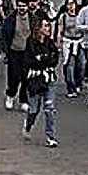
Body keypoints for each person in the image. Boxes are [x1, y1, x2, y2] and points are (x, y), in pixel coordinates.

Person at [22, 18, 60, 147]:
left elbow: (55, 60)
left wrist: (44, 59)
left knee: (49, 108)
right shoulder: (30, 42)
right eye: (45, 26)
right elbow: (30, 61)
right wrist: (44, 59)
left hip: (49, 78)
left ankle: (50, 136)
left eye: (48, 26)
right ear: (38, 28)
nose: (48, 29)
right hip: (35, 79)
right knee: (33, 109)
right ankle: (28, 125)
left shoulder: (50, 43)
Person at [0, 0, 33, 112]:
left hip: (27, 53)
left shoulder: (33, 18)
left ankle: (24, 100)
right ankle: (10, 95)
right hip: (14, 51)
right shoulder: (10, 19)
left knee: (26, 77)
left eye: (24, 6)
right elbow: (3, 34)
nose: (22, 8)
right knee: (14, 76)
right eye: (19, 6)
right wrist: (5, 50)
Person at [54, 0, 84, 98]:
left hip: (79, 43)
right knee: (69, 66)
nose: (71, 6)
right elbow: (60, 31)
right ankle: (71, 87)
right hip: (68, 42)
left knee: (82, 65)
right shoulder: (63, 17)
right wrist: (59, 44)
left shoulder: (80, 16)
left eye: (73, 4)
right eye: (69, 4)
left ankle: (78, 82)